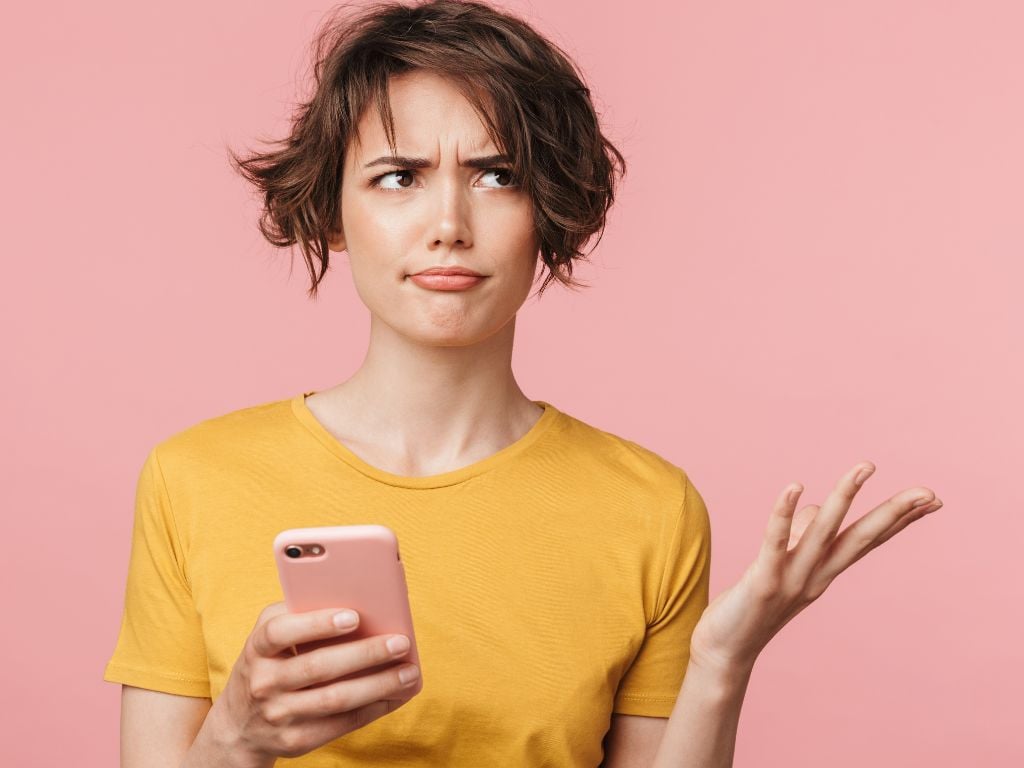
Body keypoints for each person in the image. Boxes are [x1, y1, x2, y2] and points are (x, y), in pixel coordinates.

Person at [103, 1, 943, 766]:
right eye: (398, 176)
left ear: (548, 211)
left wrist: (721, 665)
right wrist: (233, 741)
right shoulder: (195, 479)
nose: (448, 226)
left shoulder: (649, 507)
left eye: (496, 175)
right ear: (332, 209)